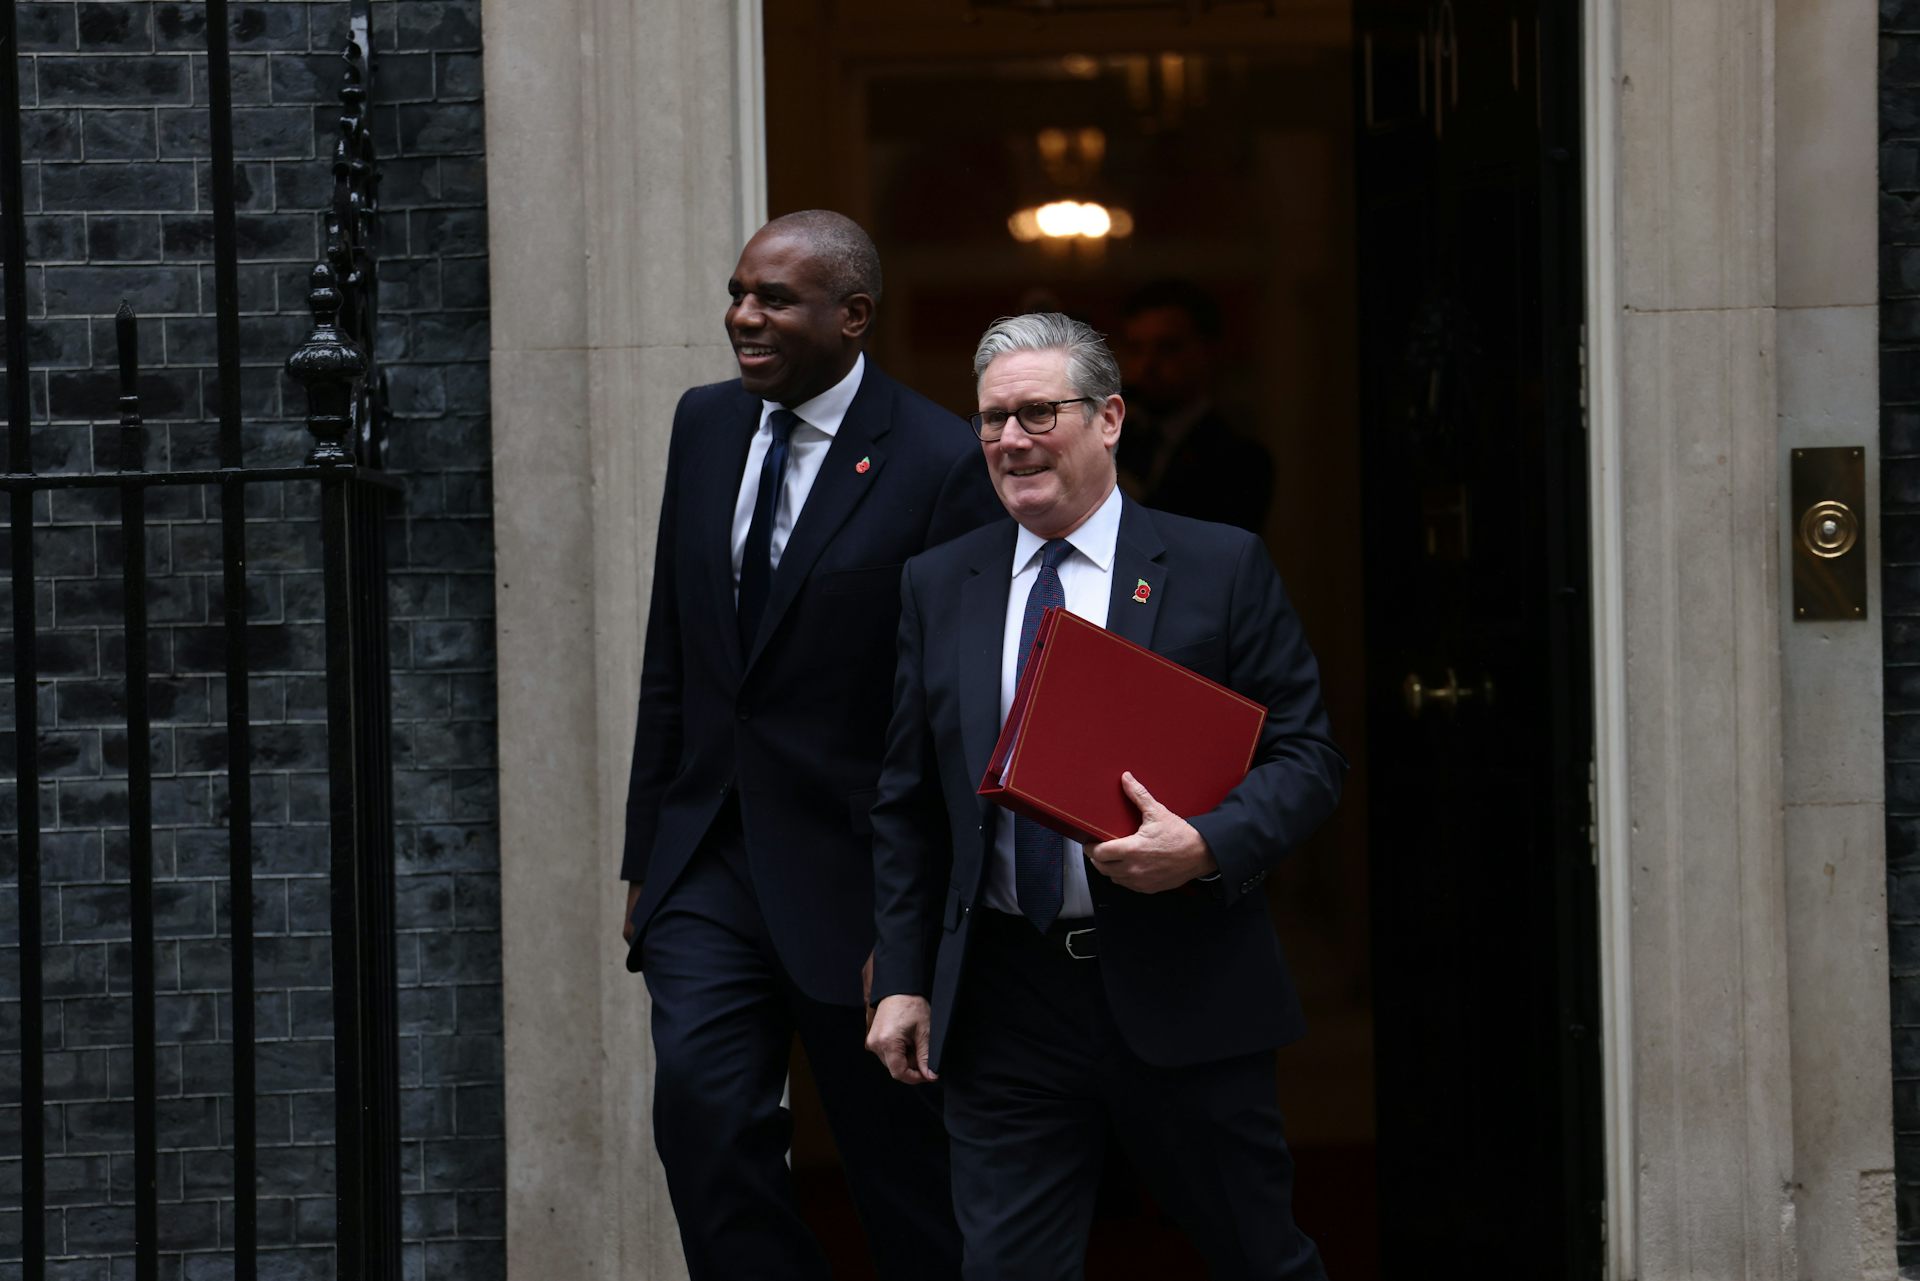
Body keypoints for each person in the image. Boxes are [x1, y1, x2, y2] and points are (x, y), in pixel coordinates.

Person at [865, 312, 1345, 1280]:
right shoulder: (937, 582)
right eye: (992, 419)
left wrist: (1206, 844)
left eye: (1038, 412)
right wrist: (907, 973)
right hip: (1006, 996)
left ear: (1111, 417)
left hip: (1183, 980)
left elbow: (1307, 760)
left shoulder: (1219, 567)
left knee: (1261, 1259)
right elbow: (910, 801)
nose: (1010, 439)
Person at [620, 210, 1001, 1280]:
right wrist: (648, 854)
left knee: (902, 1173)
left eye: (774, 300)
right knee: (703, 1118)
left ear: (853, 316)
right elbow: (675, 649)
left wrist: (916, 919)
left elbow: (951, 709)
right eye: (739, 292)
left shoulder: (936, 462)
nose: (744, 317)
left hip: (859, 874)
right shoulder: (703, 425)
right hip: (710, 858)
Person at [1115, 279, 1274, 534]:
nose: (1147, 365)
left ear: (1208, 352)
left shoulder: (1240, 459)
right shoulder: (1117, 441)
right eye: (1136, 349)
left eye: (1168, 348)